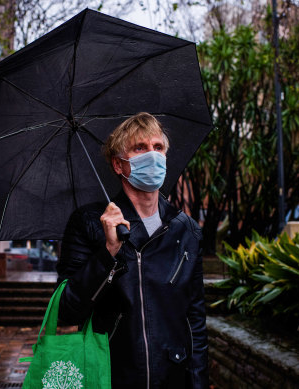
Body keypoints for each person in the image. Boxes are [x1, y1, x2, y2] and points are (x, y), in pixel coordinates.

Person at [56, 112, 208, 389]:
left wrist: (197, 382)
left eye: (158, 147)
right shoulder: (89, 223)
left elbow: (195, 318)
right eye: (140, 148)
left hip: (172, 377)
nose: (152, 155)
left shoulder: (185, 229)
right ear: (118, 164)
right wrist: (108, 250)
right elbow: (67, 309)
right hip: (111, 374)